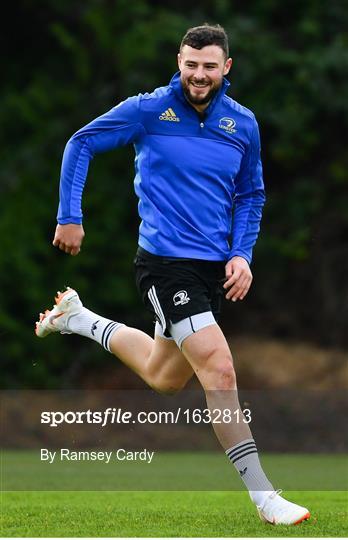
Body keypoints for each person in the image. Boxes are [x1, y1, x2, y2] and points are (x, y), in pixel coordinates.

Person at [35, 24, 310, 525]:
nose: (198, 75)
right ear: (179, 61)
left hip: (211, 270)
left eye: (209, 66)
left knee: (164, 378)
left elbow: (251, 195)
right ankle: (265, 497)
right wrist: (69, 215)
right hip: (163, 265)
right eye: (190, 64)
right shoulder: (149, 110)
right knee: (220, 367)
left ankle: (79, 319)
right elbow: (81, 143)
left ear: (226, 68)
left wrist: (241, 254)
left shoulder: (242, 124)